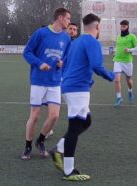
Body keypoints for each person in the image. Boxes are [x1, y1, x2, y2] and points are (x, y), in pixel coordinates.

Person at [50, 13, 114, 181]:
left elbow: (67, 64)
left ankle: (58, 148)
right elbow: (96, 65)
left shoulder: (76, 42)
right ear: (97, 27)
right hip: (77, 89)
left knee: (86, 121)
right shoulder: (92, 42)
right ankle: (68, 171)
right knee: (75, 127)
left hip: (71, 87)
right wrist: (111, 76)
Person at [21, 8, 71, 160]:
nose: (69, 22)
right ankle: (28, 146)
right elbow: (27, 52)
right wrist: (39, 63)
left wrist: (63, 63)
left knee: (54, 116)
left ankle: (40, 141)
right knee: (35, 116)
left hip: (55, 81)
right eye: (68, 18)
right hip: (38, 81)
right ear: (60, 18)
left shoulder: (67, 38)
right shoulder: (41, 33)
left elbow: (67, 57)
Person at [113, 20, 137, 106]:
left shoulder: (132, 36)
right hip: (117, 60)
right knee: (117, 80)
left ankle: (130, 91)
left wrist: (129, 50)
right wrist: (115, 51)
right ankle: (119, 97)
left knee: (128, 79)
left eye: (124, 26)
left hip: (127, 62)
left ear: (127, 27)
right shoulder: (118, 37)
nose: (122, 28)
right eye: (121, 26)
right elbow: (118, 47)